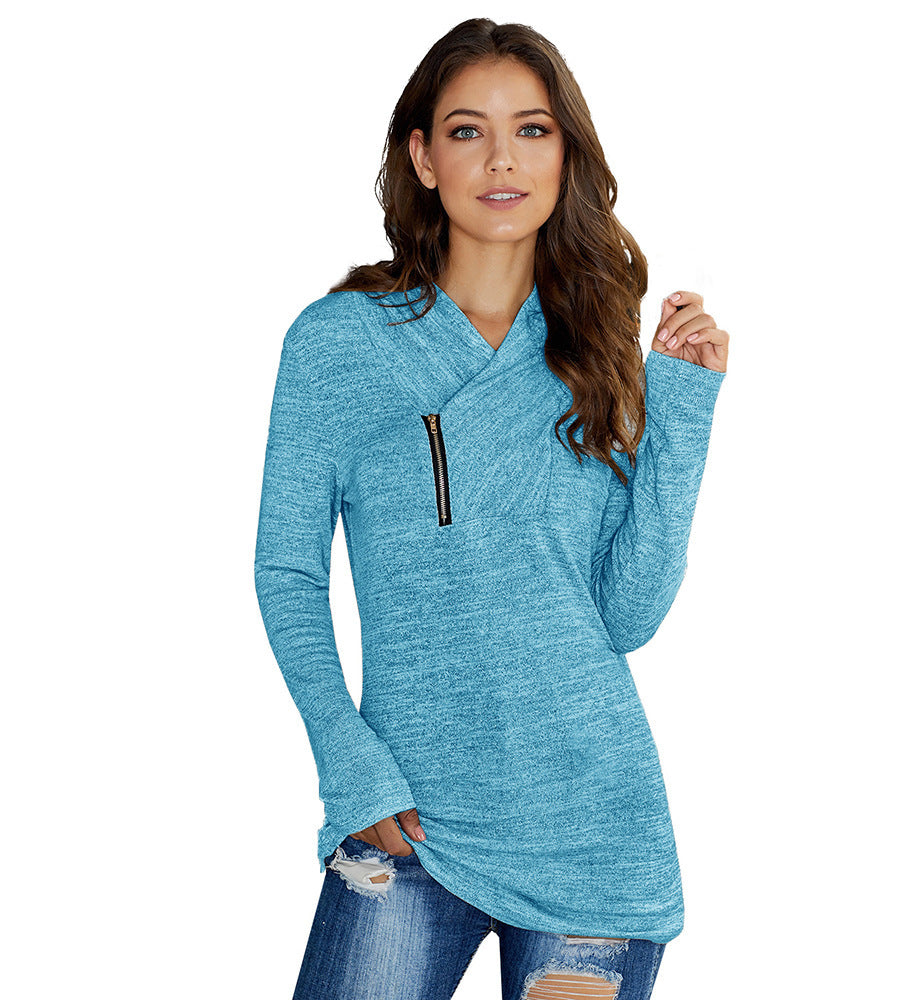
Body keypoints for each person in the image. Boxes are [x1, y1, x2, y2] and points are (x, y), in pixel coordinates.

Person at [254, 17, 730, 1000]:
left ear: (565, 156)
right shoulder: (337, 344)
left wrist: (681, 411)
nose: (502, 158)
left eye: (533, 130)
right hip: (404, 815)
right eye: (468, 130)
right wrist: (347, 759)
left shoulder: (593, 351)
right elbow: (288, 572)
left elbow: (625, 615)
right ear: (422, 157)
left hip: (591, 834)